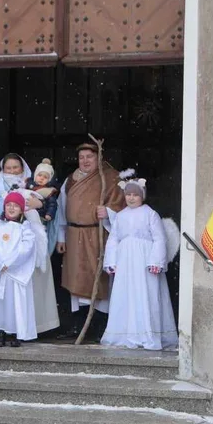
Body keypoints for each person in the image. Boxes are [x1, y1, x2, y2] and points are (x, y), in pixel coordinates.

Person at [55, 141, 126, 340]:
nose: (85, 161)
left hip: (97, 234)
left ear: (99, 158)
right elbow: (62, 208)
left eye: (90, 157)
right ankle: (78, 325)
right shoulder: (71, 180)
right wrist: (61, 236)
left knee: (98, 279)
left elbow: (125, 204)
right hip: (74, 234)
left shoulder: (110, 178)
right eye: (81, 157)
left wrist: (109, 212)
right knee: (76, 279)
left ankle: (100, 326)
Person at [0, 153, 58, 335]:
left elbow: (50, 207)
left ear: (23, 169)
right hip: (3, 245)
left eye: (16, 168)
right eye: (9, 168)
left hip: (28, 242)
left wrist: (39, 204)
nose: (12, 171)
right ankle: (4, 327)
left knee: (31, 282)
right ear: (3, 169)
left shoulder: (35, 183)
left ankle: (33, 325)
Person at [102, 178, 178, 351]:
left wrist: (156, 261)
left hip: (144, 261)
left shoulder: (150, 214)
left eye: (135, 195)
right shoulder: (120, 216)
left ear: (142, 196)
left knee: (145, 293)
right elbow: (113, 239)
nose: (131, 198)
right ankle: (124, 334)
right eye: (128, 194)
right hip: (125, 262)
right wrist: (111, 261)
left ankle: (146, 334)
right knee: (126, 294)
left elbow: (159, 238)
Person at [0, 191, 39, 347]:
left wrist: (10, 262)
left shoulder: (25, 228)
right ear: (4, 207)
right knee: (0, 305)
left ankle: (16, 333)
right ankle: (1, 332)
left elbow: (28, 247)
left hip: (15, 273)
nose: (12, 208)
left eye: (16, 206)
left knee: (15, 305)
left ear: (21, 209)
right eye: (9, 205)